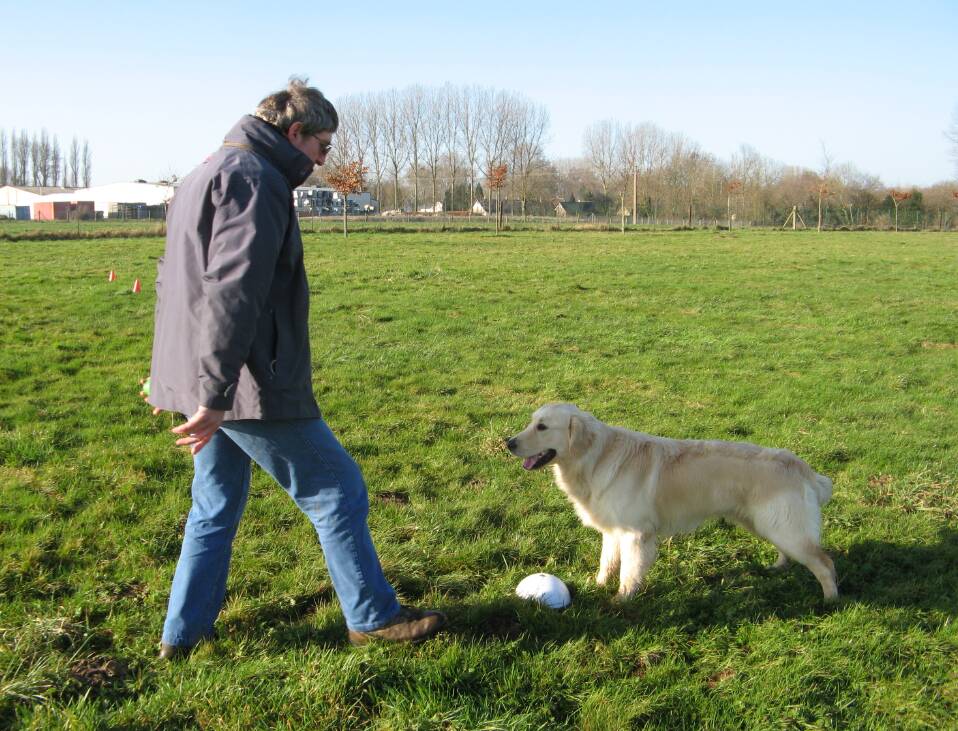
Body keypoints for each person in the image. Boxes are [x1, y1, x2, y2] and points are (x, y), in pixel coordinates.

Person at [145, 79, 445, 659]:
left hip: (211, 378)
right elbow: (232, 291)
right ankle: (373, 617)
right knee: (337, 489)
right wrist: (210, 391)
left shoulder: (205, 171)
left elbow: (175, 283)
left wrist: (174, 378)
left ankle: (181, 638)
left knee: (214, 506)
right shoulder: (257, 183)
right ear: (293, 133)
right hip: (245, 382)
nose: (324, 161)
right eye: (322, 146)